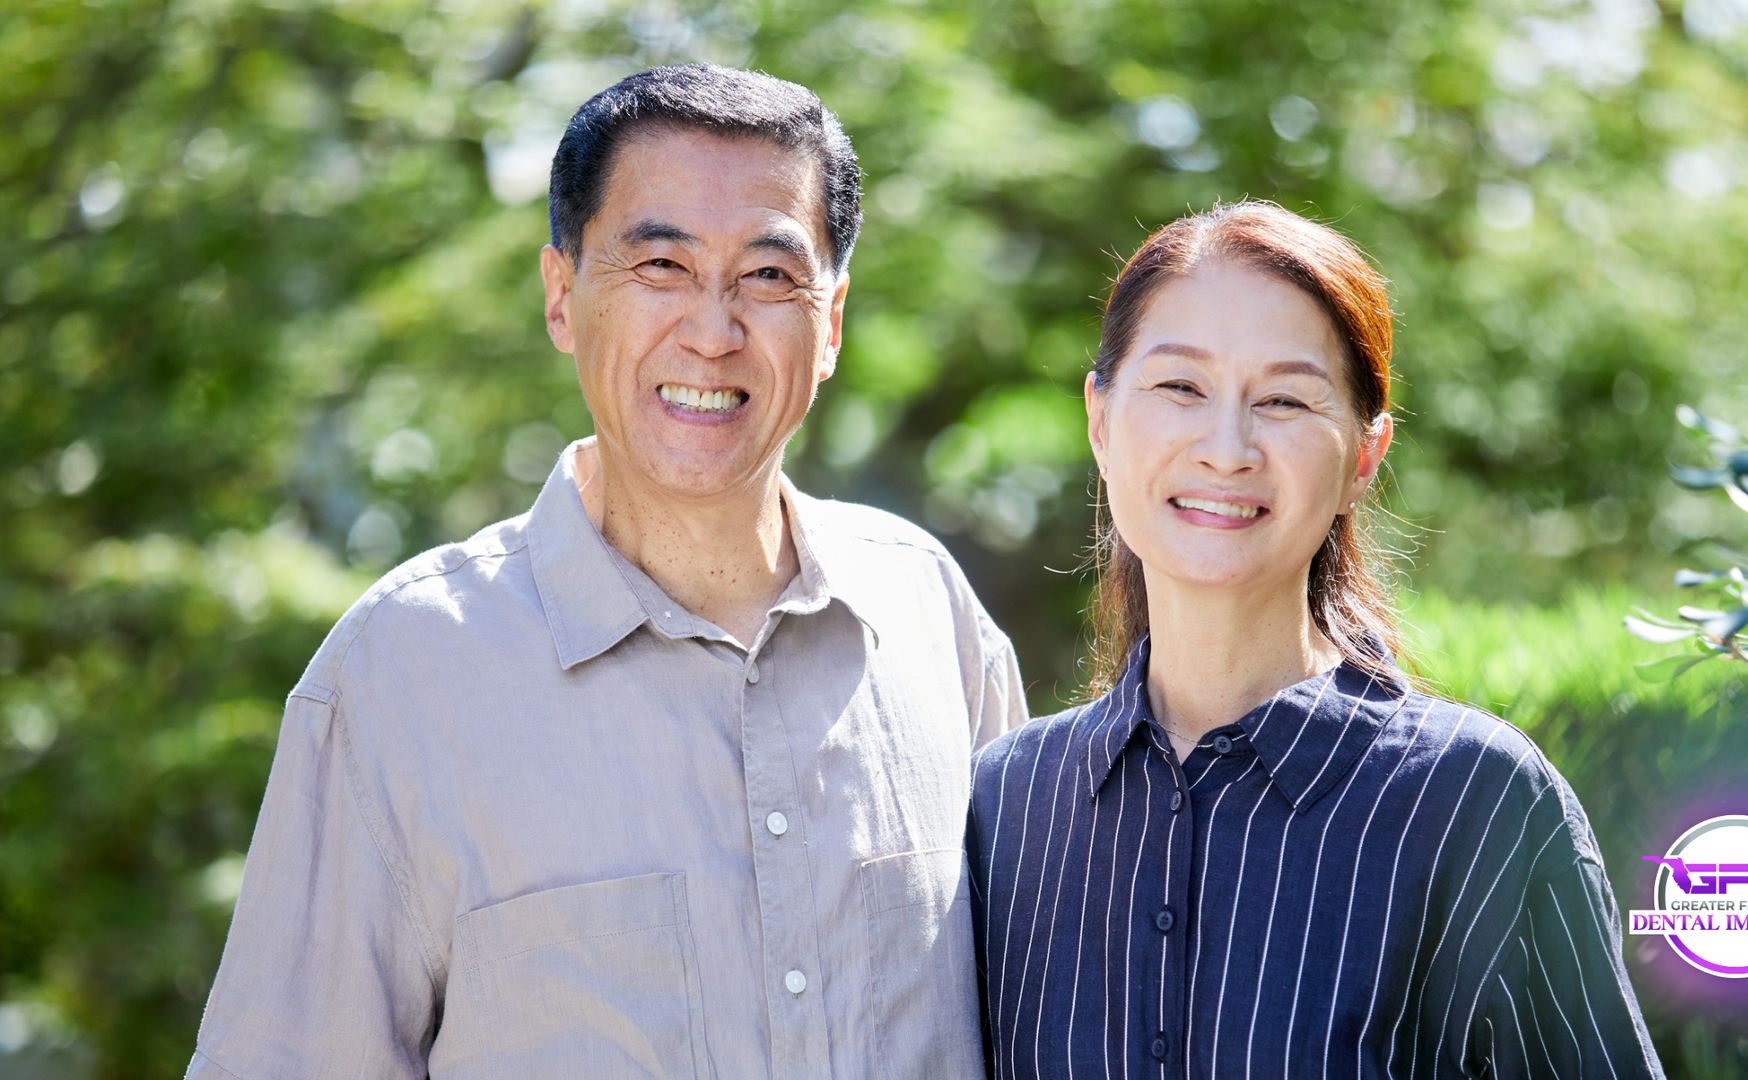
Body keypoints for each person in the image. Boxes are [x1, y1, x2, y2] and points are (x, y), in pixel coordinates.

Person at [187, 64, 1024, 1080]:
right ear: (560, 296)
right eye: (660, 268)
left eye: (767, 276)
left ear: (832, 321)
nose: (713, 334)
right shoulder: (400, 677)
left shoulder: (931, 618)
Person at [968, 201, 1664, 1079]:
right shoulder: (1005, 805)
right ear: (1100, 420)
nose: (1227, 449)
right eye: (1181, 387)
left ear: (1364, 456)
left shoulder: (1477, 802)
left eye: (1285, 400)